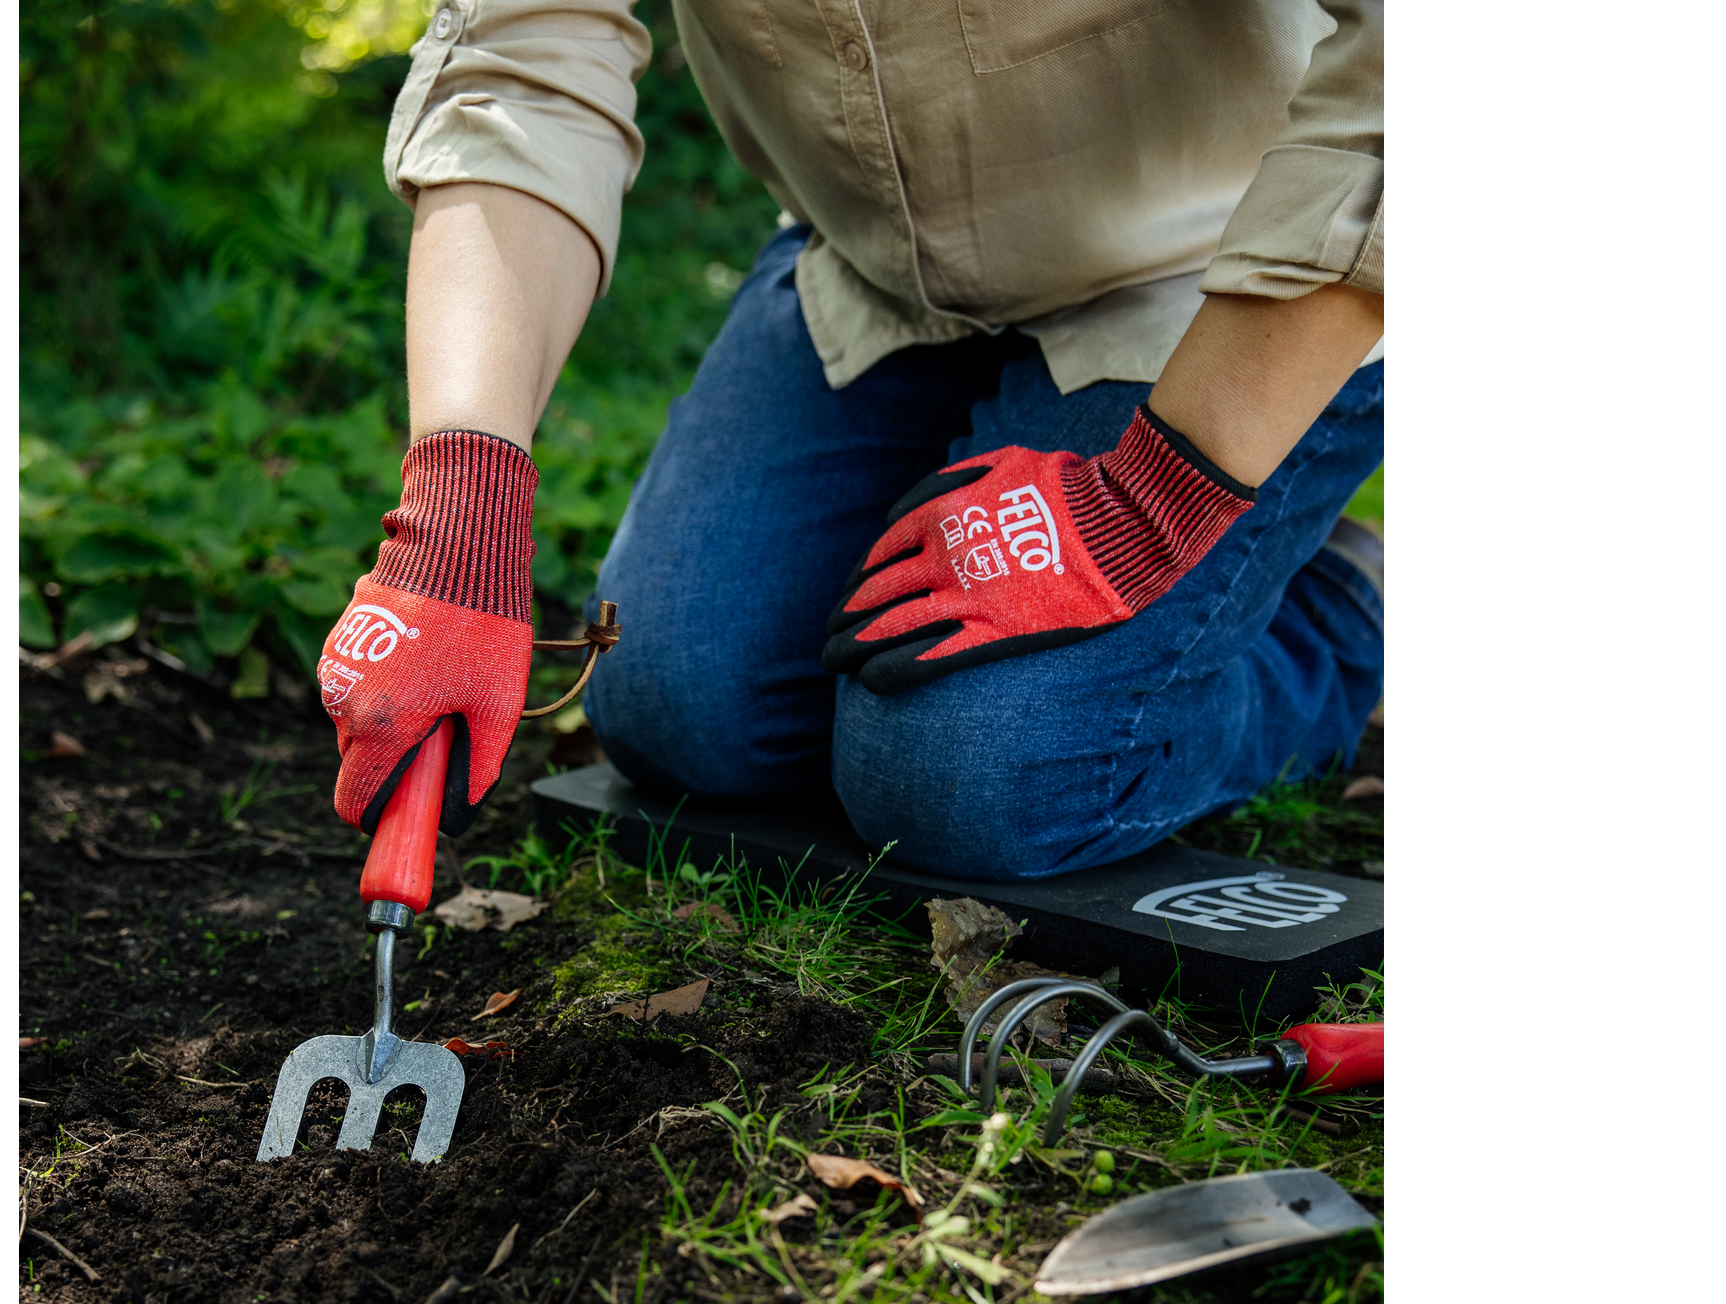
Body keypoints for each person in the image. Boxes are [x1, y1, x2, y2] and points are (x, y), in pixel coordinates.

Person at [317, 1, 1389, 880]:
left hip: (1219, 282)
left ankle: (1329, 621)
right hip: (879, 273)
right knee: (674, 706)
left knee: (961, 770)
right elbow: (524, 62)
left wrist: (1148, 502)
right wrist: (461, 500)